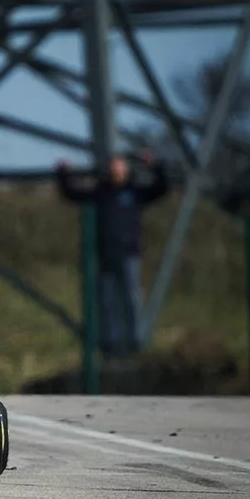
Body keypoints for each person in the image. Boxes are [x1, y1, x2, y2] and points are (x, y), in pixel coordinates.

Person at [55, 151, 169, 357]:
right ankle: (111, 344)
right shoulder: (101, 193)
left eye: (119, 167)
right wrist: (63, 174)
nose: (115, 171)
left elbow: (161, 188)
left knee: (131, 299)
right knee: (107, 300)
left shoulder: (135, 193)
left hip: (128, 254)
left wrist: (156, 166)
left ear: (125, 170)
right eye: (112, 167)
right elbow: (72, 193)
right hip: (105, 254)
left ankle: (136, 342)